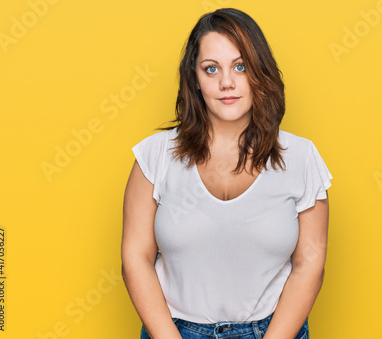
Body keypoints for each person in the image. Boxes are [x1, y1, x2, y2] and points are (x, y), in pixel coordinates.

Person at [121, 7, 332, 339]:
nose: (226, 83)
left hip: (272, 331)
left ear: (258, 72)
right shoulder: (154, 156)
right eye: (211, 69)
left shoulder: (302, 158)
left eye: (240, 66)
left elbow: (310, 264)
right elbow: (136, 257)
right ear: (194, 78)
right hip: (174, 331)